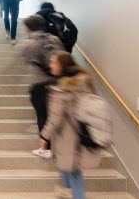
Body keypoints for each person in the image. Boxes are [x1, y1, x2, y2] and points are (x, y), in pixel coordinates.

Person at [40, 52, 101, 199]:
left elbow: (55, 117)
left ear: (62, 65)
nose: (50, 65)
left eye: (53, 62)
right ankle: (64, 191)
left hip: (68, 138)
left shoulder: (63, 87)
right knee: (66, 170)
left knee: (73, 172)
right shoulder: (83, 82)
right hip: (77, 135)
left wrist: (44, 136)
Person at [18, 15, 64, 159]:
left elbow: (22, 60)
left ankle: (45, 148)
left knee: (42, 115)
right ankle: (62, 146)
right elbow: (63, 58)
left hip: (40, 84)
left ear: (28, 29)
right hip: (57, 83)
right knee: (56, 115)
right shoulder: (54, 39)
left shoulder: (29, 43)